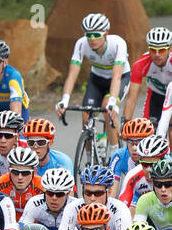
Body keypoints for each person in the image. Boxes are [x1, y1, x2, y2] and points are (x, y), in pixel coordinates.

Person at [55, 12, 130, 148]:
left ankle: (115, 153)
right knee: (86, 114)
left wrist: (112, 102)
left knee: (106, 108)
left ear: (106, 33)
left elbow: (117, 76)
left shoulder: (118, 43)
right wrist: (64, 100)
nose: (92, 39)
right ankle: (89, 161)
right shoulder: (81, 44)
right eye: (89, 35)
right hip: (97, 78)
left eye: (96, 35)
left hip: (119, 77)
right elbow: (72, 74)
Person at [122, 26, 172, 126]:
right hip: (155, 96)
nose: (157, 54)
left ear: (170, 49)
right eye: (153, 50)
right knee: (146, 130)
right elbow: (131, 98)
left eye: (161, 50)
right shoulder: (141, 64)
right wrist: (126, 123)